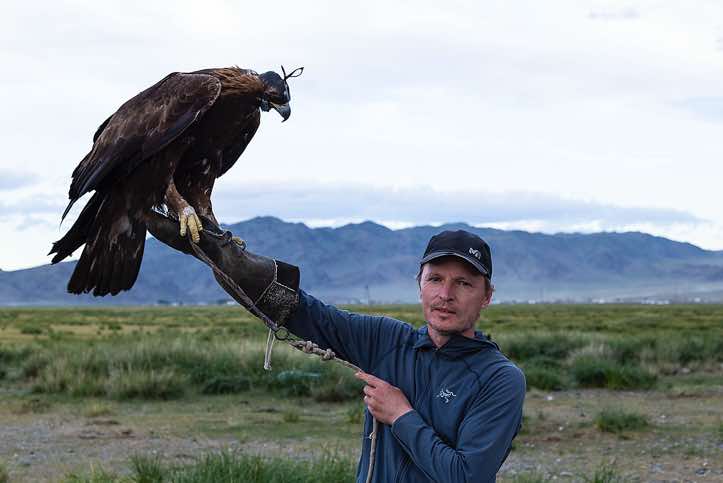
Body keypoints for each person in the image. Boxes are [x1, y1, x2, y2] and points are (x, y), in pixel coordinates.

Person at [146, 213, 526, 483]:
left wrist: (400, 414)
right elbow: (305, 313)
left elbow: (467, 476)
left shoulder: (500, 380)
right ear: (419, 284)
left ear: (487, 296)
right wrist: (218, 253)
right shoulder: (386, 340)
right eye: (436, 279)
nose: (445, 295)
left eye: (463, 284)